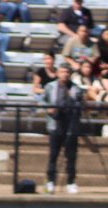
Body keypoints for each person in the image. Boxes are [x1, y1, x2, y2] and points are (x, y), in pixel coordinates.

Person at [40, 63, 85, 195]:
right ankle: (50, 181)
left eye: (67, 72)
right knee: (53, 155)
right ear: (58, 73)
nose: (64, 74)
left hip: (71, 125)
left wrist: (79, 102)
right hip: (55, 124)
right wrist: (48, 108)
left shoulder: (76, 89)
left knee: (71, 156)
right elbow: (41, 100)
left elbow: (82, 104)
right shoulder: (50, 87)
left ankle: (71, 182)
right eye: (62, 71)